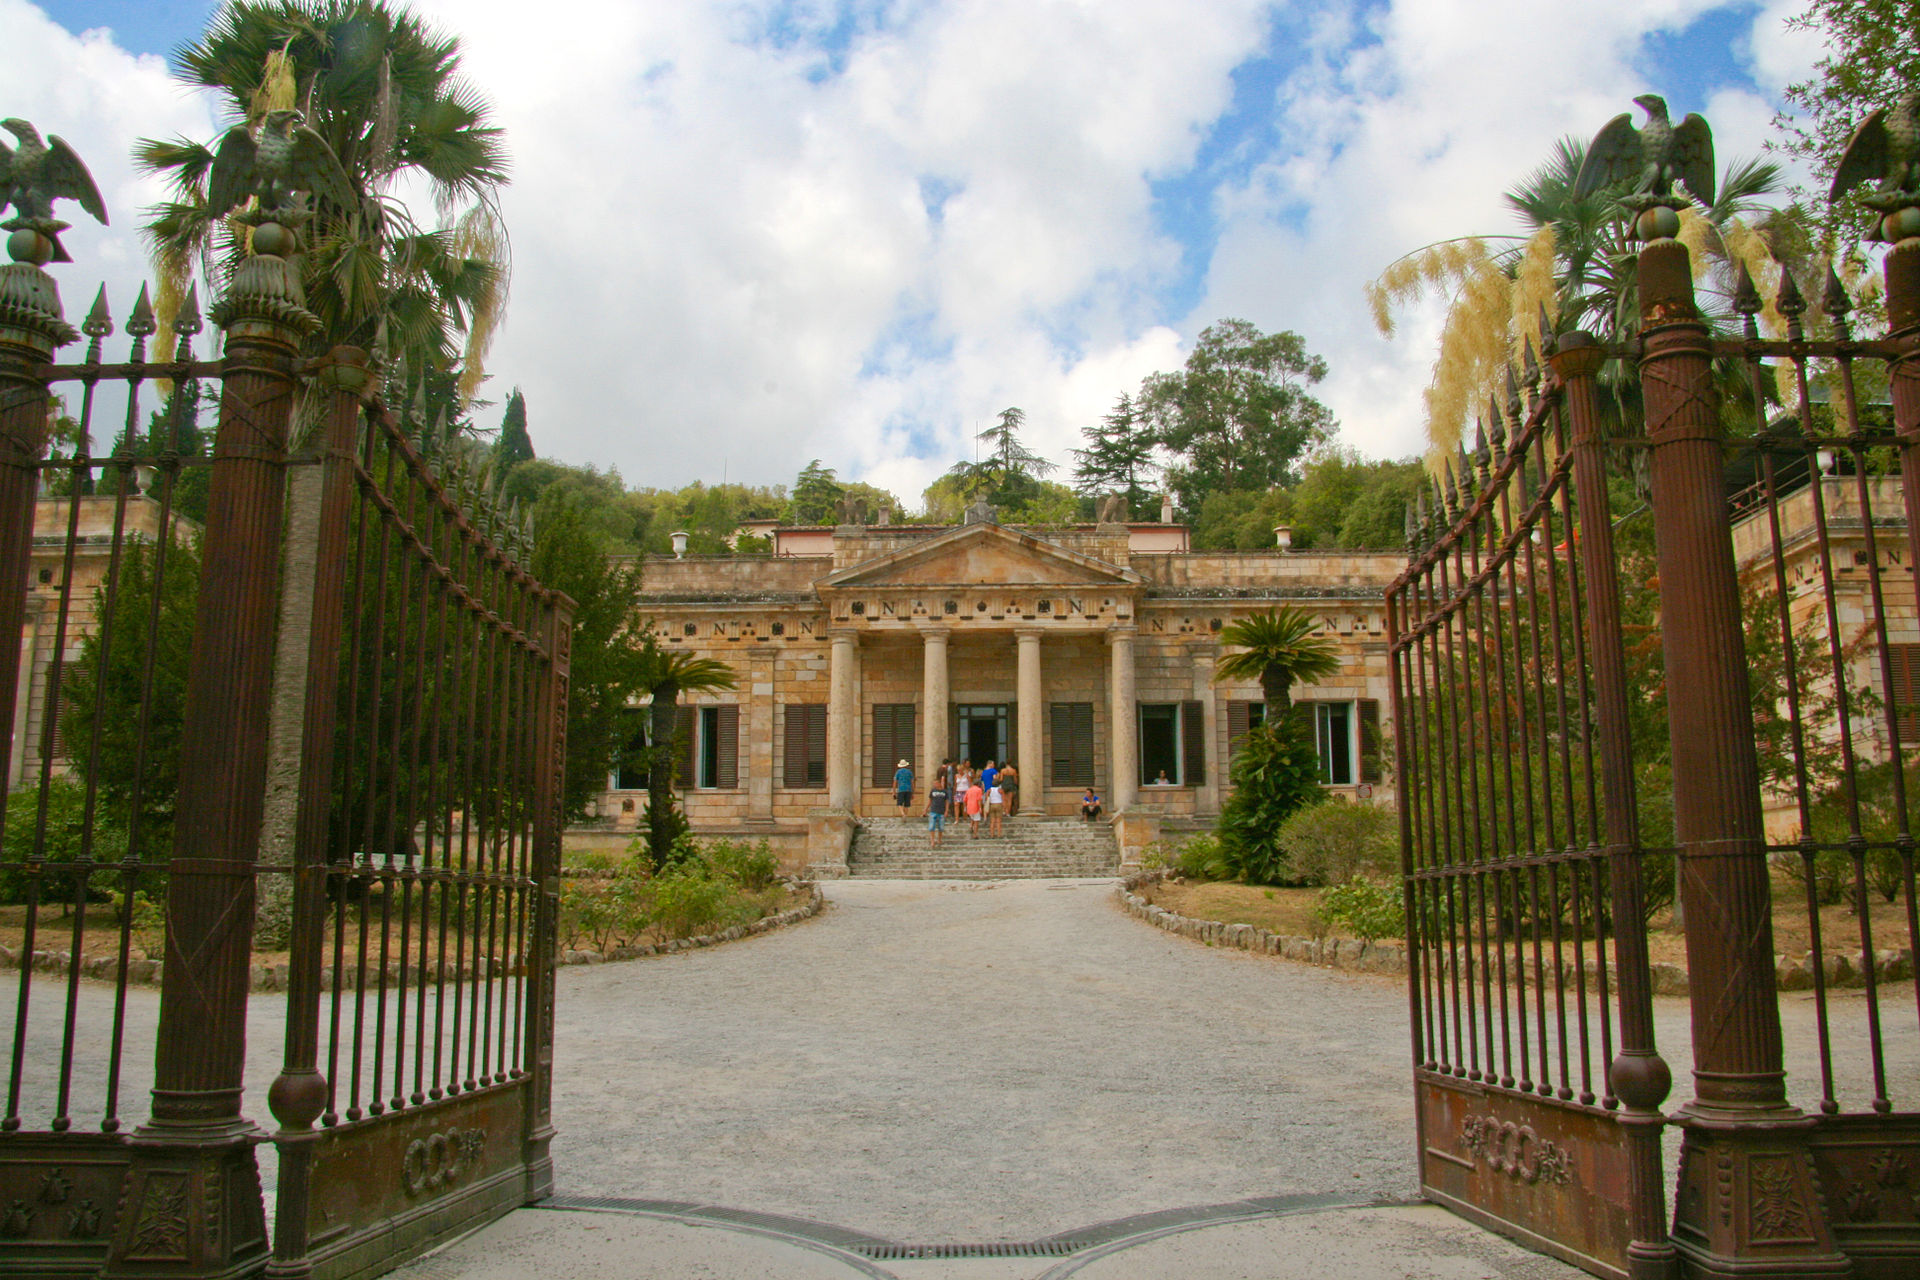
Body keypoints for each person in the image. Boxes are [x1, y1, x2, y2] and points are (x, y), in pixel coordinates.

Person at [926, 775, 949, 847]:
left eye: (936, 783)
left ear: (939, 783)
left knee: (941, 827)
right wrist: (926, 809)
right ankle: (932, 840)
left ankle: (939, 839)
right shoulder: (932, 791)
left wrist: (946, 811)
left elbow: (947, 802)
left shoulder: (944, 792)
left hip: (941, 811)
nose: (934, 785)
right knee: (931, 826)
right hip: (933, 810)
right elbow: (930, 800)